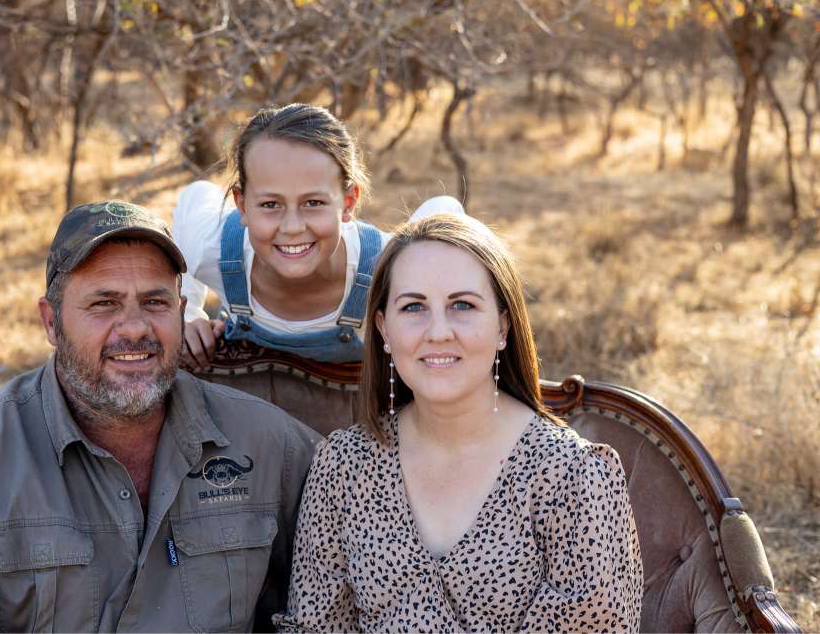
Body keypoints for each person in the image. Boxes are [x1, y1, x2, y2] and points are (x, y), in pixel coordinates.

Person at [0, 200, 320, 633]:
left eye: (155, 302)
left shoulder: (266, 444)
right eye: (103, 303)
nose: (134, 328)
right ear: (51, 322)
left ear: (182, 314)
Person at [276, 213, 643, 632]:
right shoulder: (343, 467)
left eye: (462, 305)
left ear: (502, 325)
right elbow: (314, 627)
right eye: (414, 307)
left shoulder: (572, 475)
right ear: (384, 330)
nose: (438, 332)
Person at [173, 103, 462, 369]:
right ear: (241, 206)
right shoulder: (211, 251)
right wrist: (187, 311)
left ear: (348, 203)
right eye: (270, 205)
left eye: (313, 203)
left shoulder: (385, 270)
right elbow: (197, 194)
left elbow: (444, 208)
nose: (293, 227)